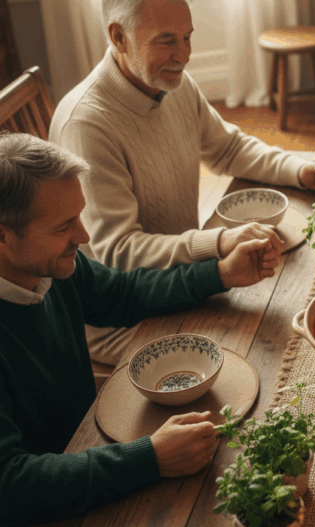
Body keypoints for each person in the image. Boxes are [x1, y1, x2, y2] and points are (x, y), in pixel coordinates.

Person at [50, 0, 315, 365]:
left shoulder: (169, 81)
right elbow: (118, 254)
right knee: (270, 352)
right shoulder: (86, 125)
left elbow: (228, 149)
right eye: (167, 40)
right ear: (118, 36)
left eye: (188, 37)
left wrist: (301, 169)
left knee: (298, 311)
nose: (184, 54)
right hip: (125, 319)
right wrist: (217, 242)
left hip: (184, 282)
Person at [0, 133, 281, 526]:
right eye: (65, 225)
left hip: (87, 445)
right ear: (4, 236)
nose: (83, 236)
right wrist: (149, 458)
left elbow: (123, 293)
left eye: (80, 216)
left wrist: (219, 273)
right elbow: (11, 486)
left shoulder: (51, 265)